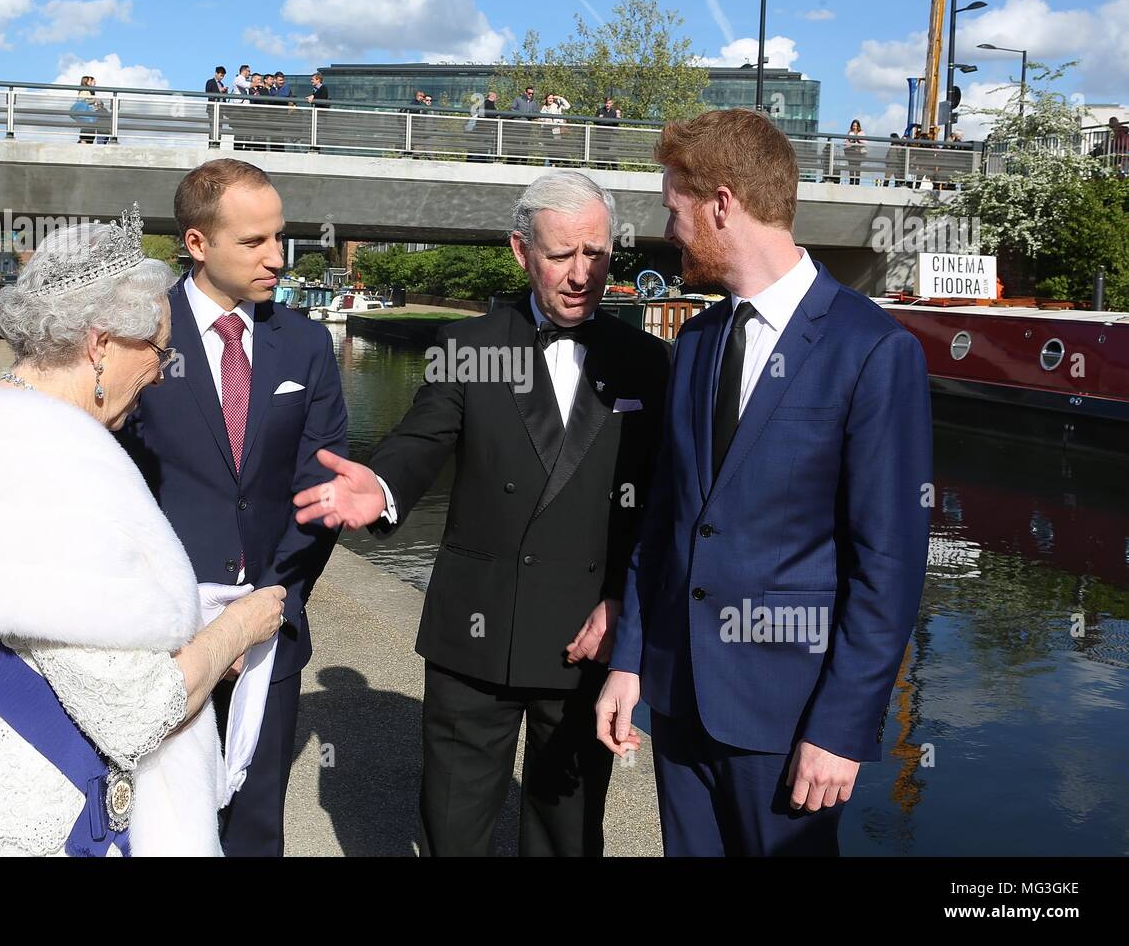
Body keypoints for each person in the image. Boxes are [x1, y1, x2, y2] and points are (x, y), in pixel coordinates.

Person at [293, 171, 670, 856]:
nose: (582, 272)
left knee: (568, 832)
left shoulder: (648, 363)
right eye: (561, 255)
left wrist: (624, 602)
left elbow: (658, 506)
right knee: (454, 828)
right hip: (476, 633)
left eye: (597, 252)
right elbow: (420, 437)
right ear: (521, 251)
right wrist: (382, 485)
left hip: (588, 635)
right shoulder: (471, 347)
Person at [0, 213, 289, 855]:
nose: (162, 371)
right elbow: (135, 712)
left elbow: (59, 639)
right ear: (101, 345)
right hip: (47, 825)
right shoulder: (51, 472)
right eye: (159, 350)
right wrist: (237, 628)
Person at [596, 108, 932, 857]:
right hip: (680, 705)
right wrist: (630, 662)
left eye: (674, 209)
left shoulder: (874, 351)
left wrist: (842, 727)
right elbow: (667, 519)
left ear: (721, 204)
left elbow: (888, 568)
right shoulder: (698, 339)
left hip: (790, 722)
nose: (668, 228)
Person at [117, 159, 349, 856]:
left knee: (254, 828)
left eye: (280, 237)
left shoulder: (305, 344)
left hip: (269, 633)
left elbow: (321, 488)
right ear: (197, 243)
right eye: (254, 241)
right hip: (160, 638)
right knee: (156, 822)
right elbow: (116, 486)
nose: (277, 257)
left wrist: (268, 605)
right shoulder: (137, 337)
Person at [843, 119, 866, 185]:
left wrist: (858, 140)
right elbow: (845, 142)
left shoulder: (861, 133)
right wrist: (851, 141)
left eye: (856, 126)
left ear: (858, 126)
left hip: (859, 152)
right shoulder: (849, 132)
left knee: (858, 167)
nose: (854, 127)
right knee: (851, 167)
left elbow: (865, 142)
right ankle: (851, 182)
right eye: (853, 126)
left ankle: (857, 182)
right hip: (851, 152)